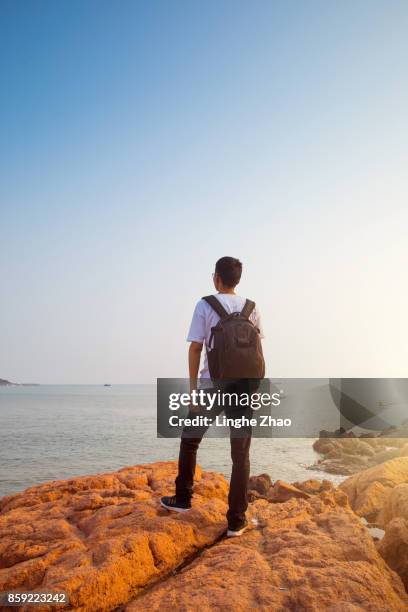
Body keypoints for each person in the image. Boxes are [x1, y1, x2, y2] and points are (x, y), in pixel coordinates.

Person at [161, 256, 264, 536]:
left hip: (212, 386)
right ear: (237, 280)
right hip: (244, 387)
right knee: (240, 456)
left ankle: (182, 498)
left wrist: (193, 391)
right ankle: (236, 521)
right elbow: (257, 352)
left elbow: (196, 348)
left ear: (216, 278)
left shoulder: (205, 304)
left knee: (190, 441)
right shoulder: (252, 308)